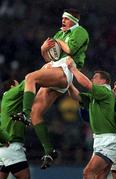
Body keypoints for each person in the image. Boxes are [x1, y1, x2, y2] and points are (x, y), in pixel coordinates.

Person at [14, 8, 89, 169]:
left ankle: (24, 113)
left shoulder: (80, 31)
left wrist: (58, 42)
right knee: (36, 113)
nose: (63, 21)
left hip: (66, 70)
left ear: (74, 20)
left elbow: (69, 50)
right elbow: (51, 57)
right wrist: (43, 49)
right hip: (55, 67)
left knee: (30, 77)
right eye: (62, 18)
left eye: (66, 19)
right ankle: (49, 150)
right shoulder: (59, 33)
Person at [67, 57, 116, 179]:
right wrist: (68, 81)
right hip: (101, 140)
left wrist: (72, 68)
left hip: (108, 141)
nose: (92, 79)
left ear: (104, 81)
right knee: (99, 177)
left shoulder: (105, 91)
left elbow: (86, 84)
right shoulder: (95, 96)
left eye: (95, 77)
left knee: (88, 173)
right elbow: (75, 96)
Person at [0, 79, 30, 179]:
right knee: (24, 177)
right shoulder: (10, 94)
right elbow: (28, 82)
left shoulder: (6, 103)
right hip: (11, 145)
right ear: (12, 87)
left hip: (3, 148)